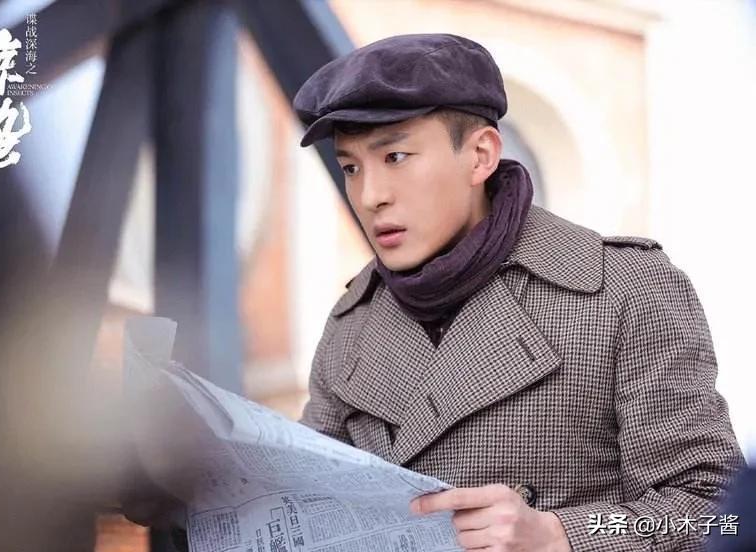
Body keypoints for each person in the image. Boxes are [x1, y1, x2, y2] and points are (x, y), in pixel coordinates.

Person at [292, 33, 745, 551]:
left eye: (395, 156)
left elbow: (715, 517)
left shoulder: (626, 290)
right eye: (351, 168)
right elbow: (307, 501)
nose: (370, 196)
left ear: (480, 155)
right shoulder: (352, 323)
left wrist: (561, 535)